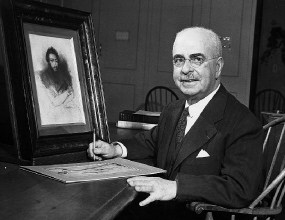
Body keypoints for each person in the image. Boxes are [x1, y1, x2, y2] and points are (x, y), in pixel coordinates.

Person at [87, 27, 264, 219]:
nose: (186, 69)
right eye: (179, 60)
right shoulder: (173, 110)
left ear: (218, 67)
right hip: (160, 210)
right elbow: (152, 141)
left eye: (197, 59)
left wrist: (176, 187)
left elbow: (241, 188)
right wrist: (116, 150)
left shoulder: (242, 122)